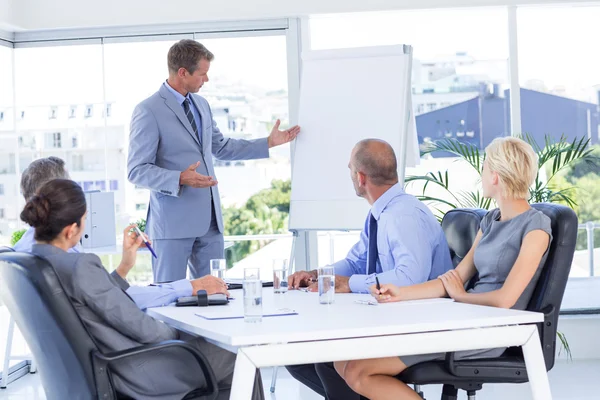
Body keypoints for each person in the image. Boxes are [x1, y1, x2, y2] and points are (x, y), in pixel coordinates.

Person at [333, 137, 553, 400]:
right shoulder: (491, 220)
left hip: (490, 330)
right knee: (344, 361)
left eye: (484, 168)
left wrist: (461, 297)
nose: (481, 174)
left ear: (495, 176)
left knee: (358, 371)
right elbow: (452, 279)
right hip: (464, 319)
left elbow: (506, 299)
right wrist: (400, 292)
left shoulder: (536, 226)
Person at [23, 179, 264, 400]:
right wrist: (181, 332)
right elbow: (152, 333)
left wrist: (125, 265)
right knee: (241, 359)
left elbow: (92, 299)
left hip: (101, 369)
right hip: (136, 373)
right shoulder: (80, 265)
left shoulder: (35, 262)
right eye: (85, 220)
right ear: (70, 229)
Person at [285, 139, 453, 400]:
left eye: (350, 169)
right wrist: (317, 275)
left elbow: (410, 278)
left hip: (421, 323)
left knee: (326, 360)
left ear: (360, 177)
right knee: (300, 357)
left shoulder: (403, 215)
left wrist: (349, 284)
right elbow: (356, 262)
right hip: (392, 319)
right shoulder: (380, 213)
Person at [127, 39, 300, 282]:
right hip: (172, 225)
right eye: (203, 74)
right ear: (183, 72)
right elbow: (136, 170)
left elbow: (221, 147)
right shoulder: (148, 110)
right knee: (168, 299)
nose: (206, 80)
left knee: (215, 295)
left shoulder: (202, 104)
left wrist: (268, 143)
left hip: (211, 223)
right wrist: (179, 178)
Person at [13, 157, 227, 311]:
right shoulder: (70, 261)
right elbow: (119, 300)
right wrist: (189, 286)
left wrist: (125, 265)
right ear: (56, 192)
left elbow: (100, 294)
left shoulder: (24, 251)